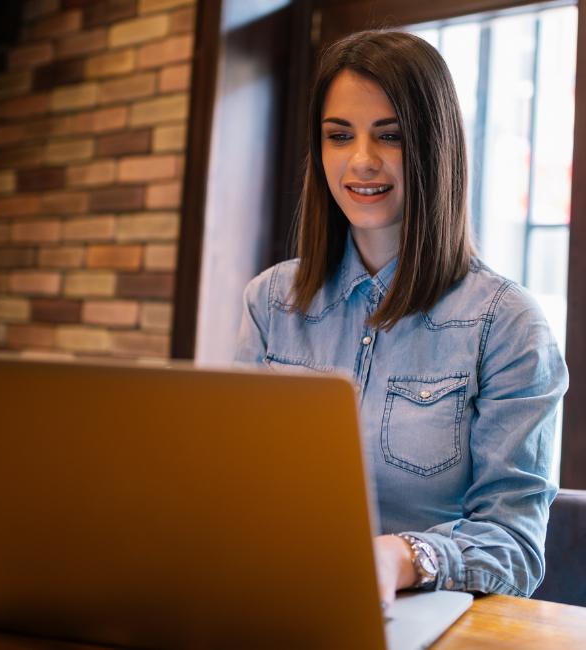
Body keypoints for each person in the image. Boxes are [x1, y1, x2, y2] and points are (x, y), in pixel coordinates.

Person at [234, 31, 566, 604]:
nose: (361, 160)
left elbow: (516, 545)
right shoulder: (269, 301)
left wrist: (405, 556)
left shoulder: (507, 323)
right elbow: (232, 483)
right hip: (278, 599)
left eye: (390, 136)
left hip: (426, 617)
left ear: (436, 149)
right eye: (339, 136)